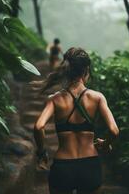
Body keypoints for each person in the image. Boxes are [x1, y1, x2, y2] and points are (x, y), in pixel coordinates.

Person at [34, 47, 119, 194]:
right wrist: (105, 144)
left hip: (63, 167)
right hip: (90, 165)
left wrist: (42, 154)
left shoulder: (55, 99)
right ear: (86, 69)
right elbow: (114, 130)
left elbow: (39, 126)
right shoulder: (97, 97)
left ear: (67, 69)